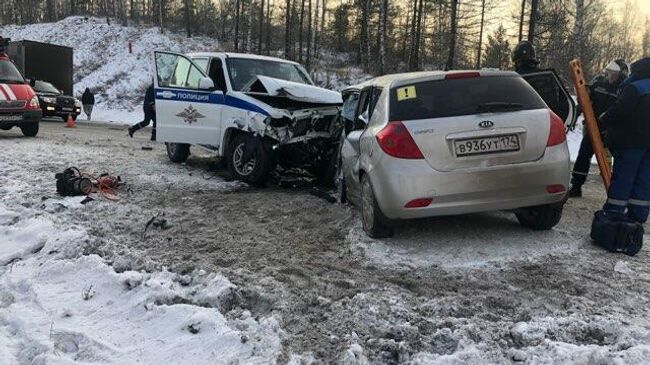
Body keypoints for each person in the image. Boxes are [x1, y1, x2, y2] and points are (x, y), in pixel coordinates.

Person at [599, 57, 650, 223]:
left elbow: (620, 110)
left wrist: (604, 117)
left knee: (624, 177)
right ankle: (638, 214)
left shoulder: (634, 88)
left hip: (630, 142)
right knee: (644, 178)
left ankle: (614, 212)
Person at [569, 59, 629, 198]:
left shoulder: (624, 90)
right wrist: (575, 115)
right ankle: (576, 186)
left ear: (621, 74)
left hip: (611, 133)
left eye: (613, 73)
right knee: (583, 156)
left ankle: (614, 189)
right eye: (608, 73)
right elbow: (585, 101)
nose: (609, 76)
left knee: (610, 161)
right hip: (593, 128)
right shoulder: (599, 84)